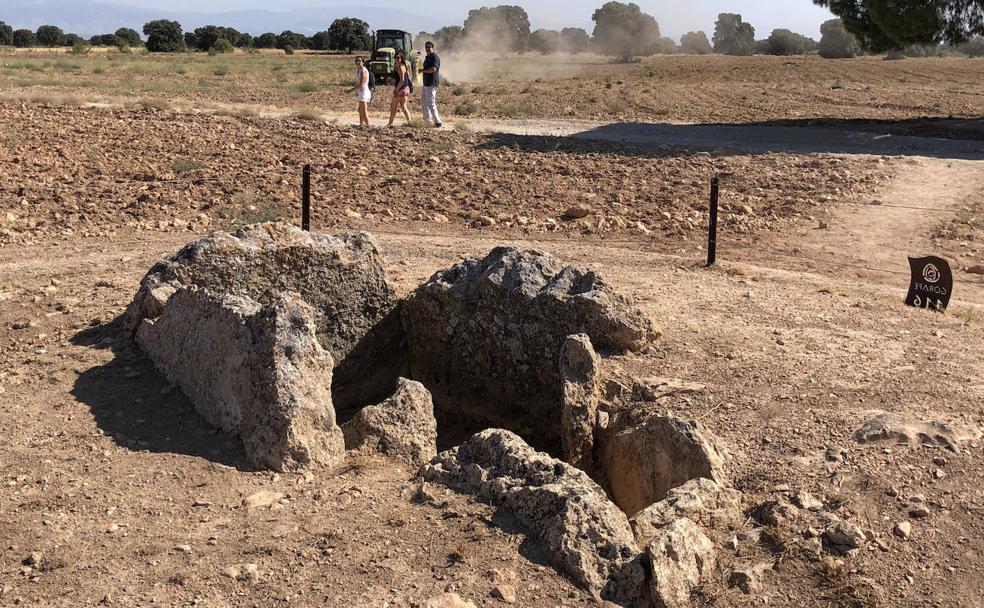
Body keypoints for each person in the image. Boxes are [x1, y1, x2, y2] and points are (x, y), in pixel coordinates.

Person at [387, 53, 412, 127]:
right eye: (395, 57)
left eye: (398, 58)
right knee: (403, 107)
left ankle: (390, 123)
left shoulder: (401, 67)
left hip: (401, 89)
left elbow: (402, 80)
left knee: (393, 106)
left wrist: (396, 90)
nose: (396, 59)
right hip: (405, 89)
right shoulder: (402, 66)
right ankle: (410, 122)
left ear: (402, 59)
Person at [421, 41, 442, 128]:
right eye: (426, 47)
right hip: (426, 83)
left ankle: (438, 122)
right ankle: (427, 121)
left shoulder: (435, 57)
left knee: (430, 102)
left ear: (433, 47)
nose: (427, 49)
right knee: (424, 101)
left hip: (431, 84)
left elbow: (433, 69)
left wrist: (423, 71)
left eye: (429, 47)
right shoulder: (427, 57)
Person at [346, 57, 371, 127]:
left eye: (359, 60)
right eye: (356, 60)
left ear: (363, 62)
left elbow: (361, 84)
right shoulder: (359, 70)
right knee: (360, 110)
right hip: (361, 92)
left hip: (364, 92)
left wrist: (350, 90)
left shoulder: (363, 70)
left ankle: (368, 126)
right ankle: (361, 124)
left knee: (364, 110)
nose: (358, 62)